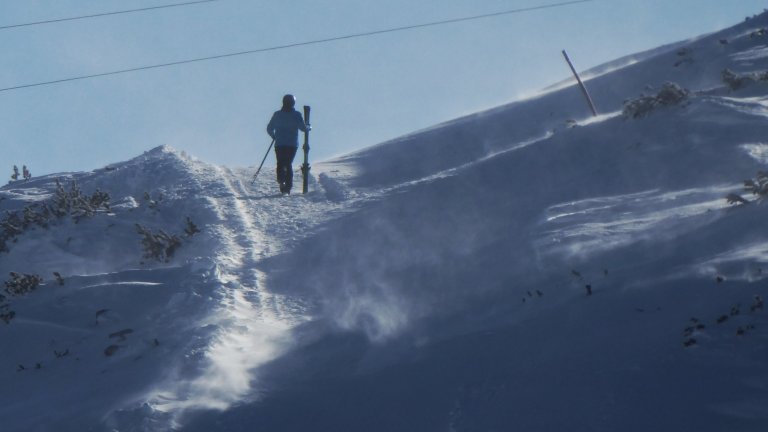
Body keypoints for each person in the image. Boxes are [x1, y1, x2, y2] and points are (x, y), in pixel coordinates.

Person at [266, 94, 309, 194]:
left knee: (280, 162)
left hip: (280, 143)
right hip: (292, 144)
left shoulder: (277, 114)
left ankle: (281, 181)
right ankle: (287, 187)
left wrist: (274, 136)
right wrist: (309, 128)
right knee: (288, 163)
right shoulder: (296, 115)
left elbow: (269, 128)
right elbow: (303, 128)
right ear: (293, 103)